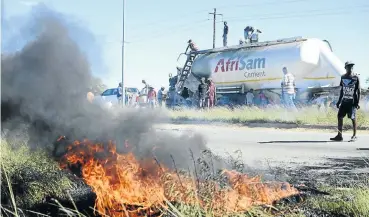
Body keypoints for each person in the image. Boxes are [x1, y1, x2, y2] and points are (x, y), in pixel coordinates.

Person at [330, 61, 361, 142]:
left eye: (351, 66)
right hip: (344, 101)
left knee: (352, 117)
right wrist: (339, 101)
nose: (350, 68)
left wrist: (357, 103)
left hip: (352, 101)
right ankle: (339, 136)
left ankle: (354, 136)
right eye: (348, 66)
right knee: (339, 116)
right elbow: (342, 90)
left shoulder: (356, 77)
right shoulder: (343, 77)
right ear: (345, 68)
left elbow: (359, 91)